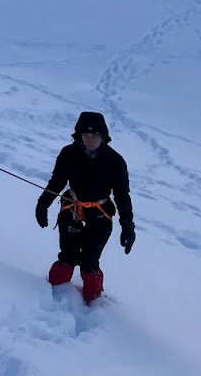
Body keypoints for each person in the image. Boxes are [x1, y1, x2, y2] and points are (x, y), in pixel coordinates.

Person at [34, 111, 134, 302]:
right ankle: (51, 296)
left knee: (89, 262)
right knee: (67, 256)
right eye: (85, 135)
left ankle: (93, 304)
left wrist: (127, 224)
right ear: (78, 135)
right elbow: (57, 182)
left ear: (103, 137)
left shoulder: (115, 161)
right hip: (71, 208)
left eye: (95, 135)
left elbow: (122, 195)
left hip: (100, 213)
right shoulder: (68, 154)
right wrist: (42, 205)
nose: (90, 139)